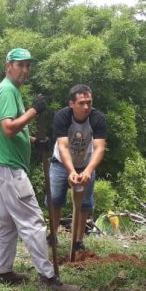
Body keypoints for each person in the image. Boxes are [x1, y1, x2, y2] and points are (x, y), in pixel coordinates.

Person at [0, 48, 80, 291]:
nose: (25, 70)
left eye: (28, 66)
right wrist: (34, 111)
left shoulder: (7, 90)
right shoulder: (7, 90)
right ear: (8, 66)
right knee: (34, 222)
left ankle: (3, 271)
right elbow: (8, 128)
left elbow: (15, 132)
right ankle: (49, 279)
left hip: (3, 165)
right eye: (20, 65)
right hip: (10, 168)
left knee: (5, 223)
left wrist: (34, 140)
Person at [48, 84, 107, 251]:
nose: (86, 107)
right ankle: (52, 235)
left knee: (85, 204)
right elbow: (63, 147)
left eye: (89, 102)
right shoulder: (62, 117)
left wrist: (88, 170)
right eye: (81, 103)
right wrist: (71, 171)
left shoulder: (98, 118)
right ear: (71, 104)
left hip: (86, 164)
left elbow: (99, 148)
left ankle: (78, 241)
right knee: (55, 200)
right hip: (60, 163)